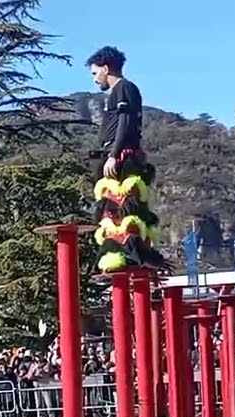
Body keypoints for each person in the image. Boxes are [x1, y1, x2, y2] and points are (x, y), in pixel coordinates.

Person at [87, 45, 165, 273]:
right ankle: (122, 253)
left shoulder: (124, 88)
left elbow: (126, 122)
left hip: (121, 156)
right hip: (116, 153)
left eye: (95, 73)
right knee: (114, 209)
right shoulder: (122, 91)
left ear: (105, 68)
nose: (95, 80)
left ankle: (130, 253)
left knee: (122, 208)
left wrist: (113, 155)